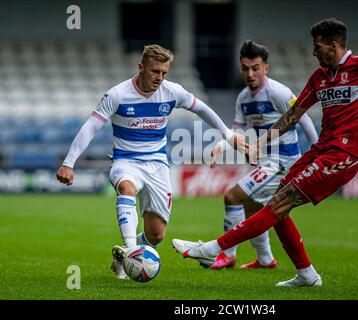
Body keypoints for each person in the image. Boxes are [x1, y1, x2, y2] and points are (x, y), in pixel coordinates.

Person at [172, 18, 358, 286]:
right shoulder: (319, 77)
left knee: (277, 203)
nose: (313, 52)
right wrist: (260, 143)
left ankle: (212, 248)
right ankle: (305, 274)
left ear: (333, 45)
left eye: (317, 46)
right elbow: (293, 116)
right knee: (278, 207)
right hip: (320, 151)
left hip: (344, 154)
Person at [56, 44, 244, 279]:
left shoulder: (171, 91)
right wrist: (69, 162)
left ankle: (128, 252)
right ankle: (129, 253)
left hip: (157, 165)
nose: (160, 78)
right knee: (126, 187)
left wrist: (226, 133)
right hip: (126, 161)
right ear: (141, 67)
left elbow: (201, 108)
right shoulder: (117, 94)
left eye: (164, 72)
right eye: (155, 71)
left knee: (156, 236)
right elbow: (91, 126)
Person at [208, 40, 318, 270]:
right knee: (252, 207)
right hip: (264, 162)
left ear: (265, 68)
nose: (250, 73)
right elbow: (236, 131)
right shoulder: (243, 98)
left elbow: (303, 118)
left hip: (283, 161)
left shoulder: (277, 92)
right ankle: (266, 260)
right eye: (245, 68)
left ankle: (228, 254)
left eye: (255, 67)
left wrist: (319, 149)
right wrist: (221, 145)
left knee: (232, 197)